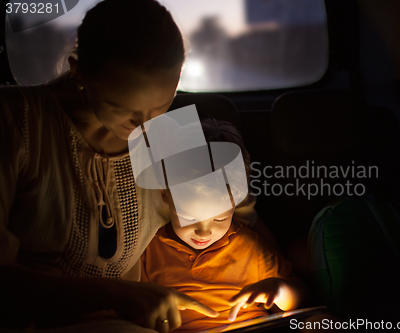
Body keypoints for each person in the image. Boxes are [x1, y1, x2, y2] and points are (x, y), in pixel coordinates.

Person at [0, 1, 277, 332]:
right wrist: (116, 294)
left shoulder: (170, 135)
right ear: (79, 71)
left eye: (161, 106)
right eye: (122, 108)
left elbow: (241, 217)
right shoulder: (17, 123)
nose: (145, 127)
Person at [141, 119, 305, 332]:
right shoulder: (150, 250)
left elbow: (301, 294)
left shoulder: (249, 246)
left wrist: (278, 290)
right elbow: (137, 304)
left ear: (235, 204)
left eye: (219, 219)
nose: (204, 231)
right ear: (165, 196)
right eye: (189, 218)